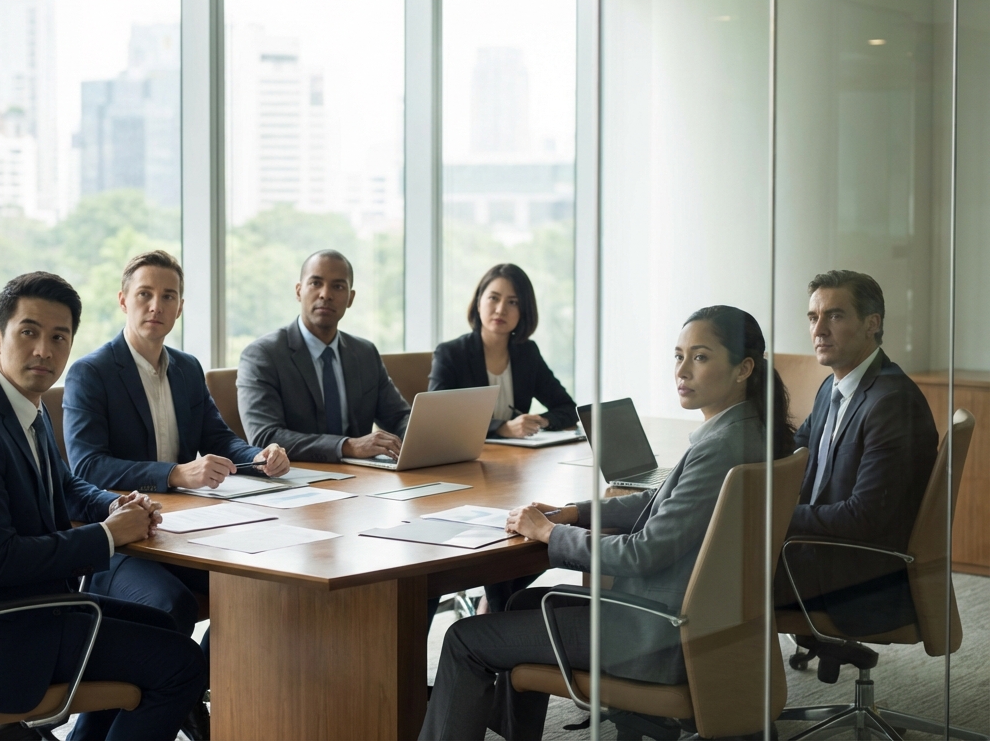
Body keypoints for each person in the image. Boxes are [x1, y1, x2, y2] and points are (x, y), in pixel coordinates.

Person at [419, 306, 796, 741]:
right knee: (520, 603)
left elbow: (643, 551)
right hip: (696, 625)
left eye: (701, 357)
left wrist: (550, 533)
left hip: (652, 635)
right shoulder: (747, 433)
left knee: (464, 638)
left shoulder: (719, 449)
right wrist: (575, 513)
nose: (683, 370)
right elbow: (660, 501)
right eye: (678, 356)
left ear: (743, 369)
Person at [0, 272, 205, 741]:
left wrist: (119, 505)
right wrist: (110, 536)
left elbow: (66, 488)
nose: (44, 351)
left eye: (58, 337)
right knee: (182, 666)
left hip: (36, 608)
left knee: (166, 623)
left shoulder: (20, 408)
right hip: (0, 634)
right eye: (28, 332)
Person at [64, 250, 290, 729]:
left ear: (180, 307)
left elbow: (217, 437)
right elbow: (88, 464)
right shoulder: (92, 372)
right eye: (144, 294)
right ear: (123, 300)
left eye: (168, 296)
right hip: (127, 543)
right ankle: (163, 705)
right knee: (172, 606)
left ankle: (190, 693)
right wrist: (174, 474)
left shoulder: (186, 368)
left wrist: (257, 456)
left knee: (264, 588)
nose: (155, 306)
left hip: (190, 533)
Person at [777, 270, 937, 637]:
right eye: (813, 317)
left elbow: (863, 517)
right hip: (823, 556)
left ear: (872, 324)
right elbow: (792, 453)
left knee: (713, 570)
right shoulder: (833, 386)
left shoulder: (892, 402)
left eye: (834, 315)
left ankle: (720, 690)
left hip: (856, 581)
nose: (819, 330)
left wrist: (775, 516)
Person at [429, 263, 578, 612]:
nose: (500, 309)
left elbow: (567, 408)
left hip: (511, 475)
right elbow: (437, 420)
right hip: (462, 476)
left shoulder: (526, 353)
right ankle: (494, 611)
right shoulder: (450, 353)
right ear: (478, 302)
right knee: (515, 540)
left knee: (534, 533)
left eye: (512, 302)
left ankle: (494, 609)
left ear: (523, 312)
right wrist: (502, 427)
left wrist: (538, 420)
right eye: (493, 298)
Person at [237, 249, 412, 462]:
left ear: (350, 298)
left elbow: (398, 417)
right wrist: (347, 446)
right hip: (298, 480)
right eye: (315, 283)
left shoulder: (365, 353)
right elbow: (265, 436)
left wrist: (420, 438)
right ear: (298, 291)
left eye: (338, 286)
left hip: (364, 479)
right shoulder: (263, 355)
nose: (326, 294)